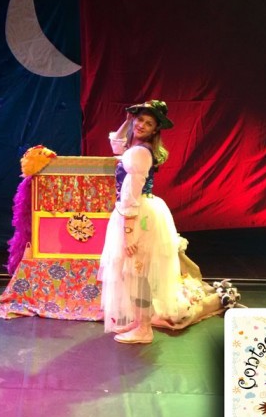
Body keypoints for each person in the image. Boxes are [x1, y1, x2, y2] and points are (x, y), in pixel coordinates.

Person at [98, 100, 240, 344]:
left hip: (137, 216)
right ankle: (140, 321)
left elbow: (131, 194)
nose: (141, 125)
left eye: (148, 123)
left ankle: (144, 328)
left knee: (137, 273)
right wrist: (128, 120)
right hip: (137, 211)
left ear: (155, 130)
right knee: (132, 273)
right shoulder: (135, 148)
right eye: (140, 120)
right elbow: (117, 144)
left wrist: (128, 232)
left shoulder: (139, 153)